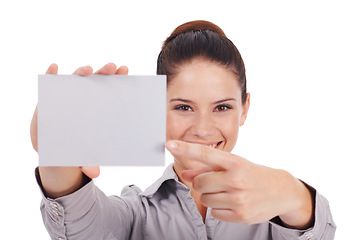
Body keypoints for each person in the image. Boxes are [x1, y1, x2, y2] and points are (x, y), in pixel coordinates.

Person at [31, 20, 336, 240]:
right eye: (183, 107)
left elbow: (318, 231)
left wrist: (291, 192)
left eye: (222, 107)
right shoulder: (136, 215)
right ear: (155, 111)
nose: (203, 130)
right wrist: (57, 145)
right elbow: (82, 225)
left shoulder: (275, 215)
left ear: (245, 109)